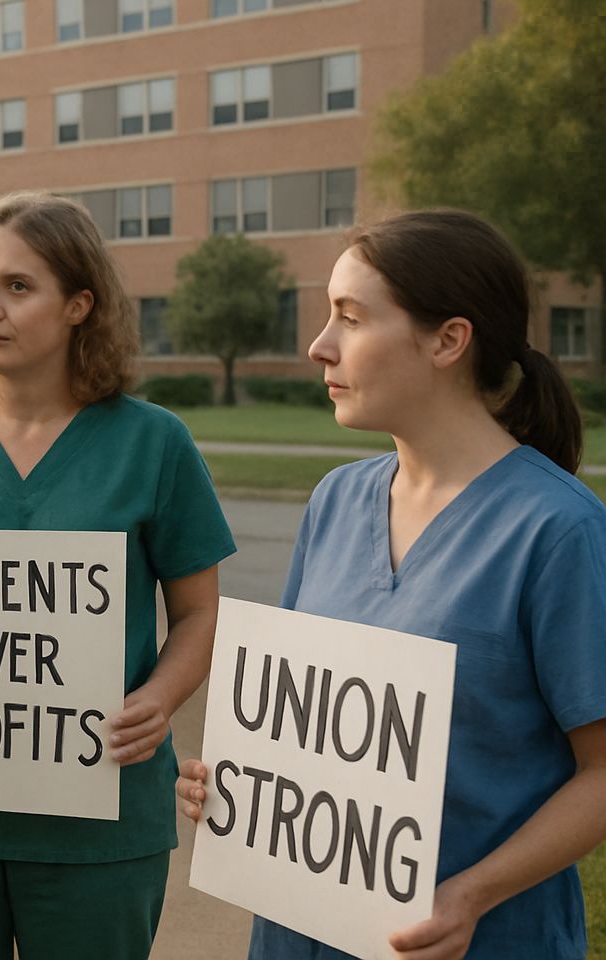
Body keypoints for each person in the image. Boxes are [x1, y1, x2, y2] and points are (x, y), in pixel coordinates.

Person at [176, 209, 606, 960]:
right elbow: (299, 724)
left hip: (476, 941)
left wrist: (471, 896)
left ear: (448, 340)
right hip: (297, 934)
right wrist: (241, 784)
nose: (319, 345)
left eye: (350, 317)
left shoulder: (558, 529)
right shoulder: (336, 499)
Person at [0, 190, 236, 959]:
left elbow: (198, 614)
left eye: (18, 286)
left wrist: (158, 700)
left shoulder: (154, 444)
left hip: (99, 823)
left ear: (78, 306)